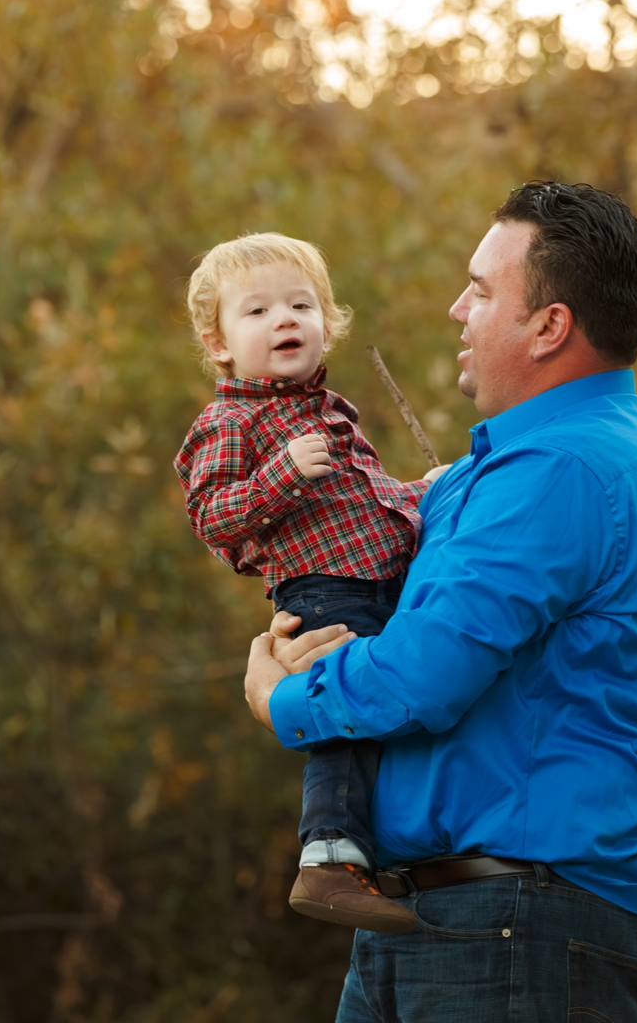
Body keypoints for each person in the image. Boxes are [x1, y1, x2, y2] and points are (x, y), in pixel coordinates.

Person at [244, 182, 637, 1021]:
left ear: (550, 327)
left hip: (515, 925)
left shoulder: (562, 468)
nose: (458, 308)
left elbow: (423, 675)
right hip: (443, 918)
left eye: (482, 290)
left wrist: (283, 697)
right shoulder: (513, 470)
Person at [176, 233, 447, 933]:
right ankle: (326, 860)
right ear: (220, 344)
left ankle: (376, 857)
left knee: (386, 719)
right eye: (259, 311)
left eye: (301, 304)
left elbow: (368, 501)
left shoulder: (331, 412)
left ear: (329, 323)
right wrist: (282, 474)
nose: (285, 319)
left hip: (378, 582)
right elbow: (213, 517)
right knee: (345, 715)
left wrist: (426, 492)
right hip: (323, 588)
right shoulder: (230, 420)